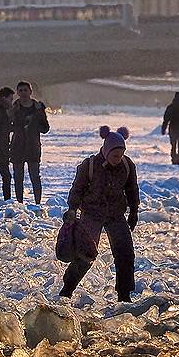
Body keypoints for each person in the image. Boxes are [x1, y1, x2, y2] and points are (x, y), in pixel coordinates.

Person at [59, 126, 139, 302]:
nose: (118, 159)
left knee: (125, 253)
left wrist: (134, 211)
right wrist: (72, 209)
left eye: (121, 155)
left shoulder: (127, 165)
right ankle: (67, 289)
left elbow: (132, 189)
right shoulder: (89, 166)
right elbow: (77, 190)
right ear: (106, 151)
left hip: (116, 214)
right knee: (85, 254)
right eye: (115, 155)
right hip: (92, 213)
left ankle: (124, 295)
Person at [9, 81, 50, 204]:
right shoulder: (14, 108)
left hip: (33, 146)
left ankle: (37, 203)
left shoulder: (38, 108)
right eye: (20, 90)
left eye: (25, 90)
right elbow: (8, 126)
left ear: (30, 92)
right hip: (17, 146)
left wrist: (35, 125)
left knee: (35, 177)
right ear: (17, 92)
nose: (23, 93)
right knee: (18, 177)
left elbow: (45, 128)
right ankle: (19, 203)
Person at [161, 92, 179, 165]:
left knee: (173, 145)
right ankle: (178, 159)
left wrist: (163, 129)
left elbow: (166, 119)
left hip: (173, 128)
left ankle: (173, 159)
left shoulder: (171, 107)